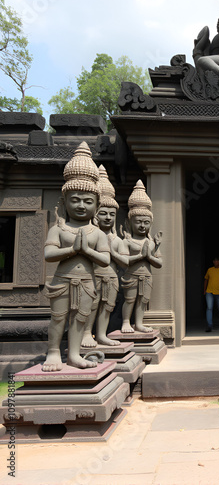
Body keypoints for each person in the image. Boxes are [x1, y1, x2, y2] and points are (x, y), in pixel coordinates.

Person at [43, 142, 110, 371]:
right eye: (75, 200)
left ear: (97, 205)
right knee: (58, 317)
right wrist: (73, 250)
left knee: (80, 319)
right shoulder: (59, 229)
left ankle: (74, 354)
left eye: (88, 201)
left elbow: (105, 260)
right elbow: (49, 254)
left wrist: (87, 251)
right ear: (64, 202)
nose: (81, 205)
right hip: (62, 280)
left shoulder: (97, 233)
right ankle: (53, 353)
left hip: (87, 282)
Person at [81, 166, 124, 348]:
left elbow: (126, 262)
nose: (107, 218)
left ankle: (101, 334)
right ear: (95, 214)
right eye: (103, 213)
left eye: (112, 215)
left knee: (107, 307)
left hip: (112, 277)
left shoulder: (117, 239)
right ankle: (85, 334)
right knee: (91, 305)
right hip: (92, 276)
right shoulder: (90, 234)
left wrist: (112, 252)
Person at [121, 180, 162, 334]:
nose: (142, 226)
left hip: (147, 276)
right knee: (130, 300)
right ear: (129, 223)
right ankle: (126, 322)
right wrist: (140, 256)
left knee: (143, 301)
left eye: (146, 222)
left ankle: (139, 323)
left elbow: (159, 263)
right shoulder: (127, 241)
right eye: (138, 222)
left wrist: (149, 256)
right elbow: (124, 261)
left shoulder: (151, 242)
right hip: (131, 275)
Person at [204, 257, 219, 332]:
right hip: (209, 292)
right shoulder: (210, 270)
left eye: (217, 261)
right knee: (209, 308)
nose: (216, 262)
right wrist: (204, 290)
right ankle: (209, 325)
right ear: (213, 262)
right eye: (214, 261)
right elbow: (206, 279)